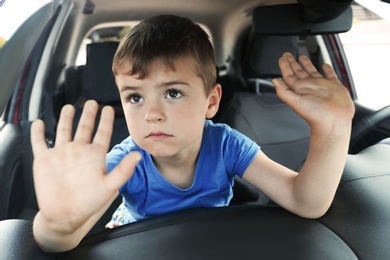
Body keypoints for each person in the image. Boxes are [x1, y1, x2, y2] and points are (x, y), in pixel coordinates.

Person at [30, 14, 355, 252]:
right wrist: (57, 225)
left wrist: (334, 131)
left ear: (211, 101)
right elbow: (61, 241)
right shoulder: (126, 162)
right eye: (135, 97)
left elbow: (305, 201)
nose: (152, 114)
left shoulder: (226, 145)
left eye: (172, 92)